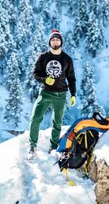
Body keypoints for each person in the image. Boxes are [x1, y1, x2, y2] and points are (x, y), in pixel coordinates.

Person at [28, 29, 76, 159]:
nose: (55, 41)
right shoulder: (43, 57)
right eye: (53, 39)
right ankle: (32, 146)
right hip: (46, 93)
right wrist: (45, 80)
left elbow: (71, 78)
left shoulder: (67, 59)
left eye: (58, 39)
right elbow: (35, 74)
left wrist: (73, 94)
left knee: (57, 123)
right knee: (35, 118)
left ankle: (53, 147)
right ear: (50, 42)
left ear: (61, 42)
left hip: (61, 94)